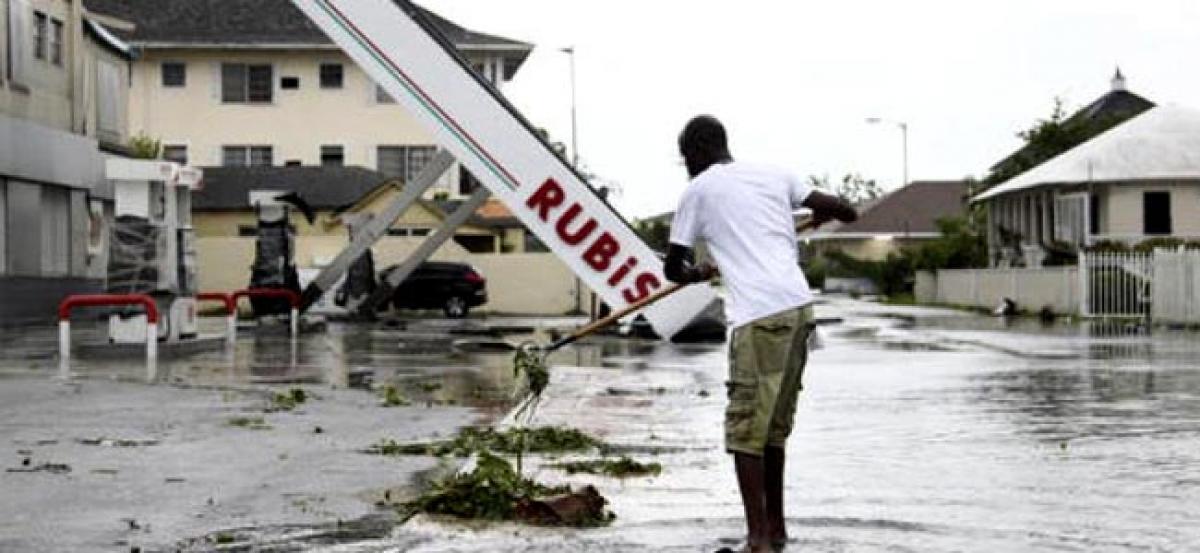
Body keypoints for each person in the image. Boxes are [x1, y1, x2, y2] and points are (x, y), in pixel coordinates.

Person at [664, 115, 857, 553]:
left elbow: (672, 267)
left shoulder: (698, 190)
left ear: (693, 154)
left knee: (745, 430)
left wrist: (698, 272)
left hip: (758, 316)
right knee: (772, 430)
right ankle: (777, 530)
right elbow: (846, 209)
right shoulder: (776, 175)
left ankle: (757, 541)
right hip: (799, 309)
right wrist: (823, 213)